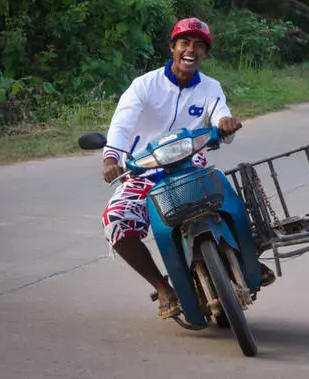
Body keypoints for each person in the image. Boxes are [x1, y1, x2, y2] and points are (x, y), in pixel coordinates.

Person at [100, 17, 275, 319]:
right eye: (184, 43)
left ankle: (245, 257)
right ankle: (163, 288)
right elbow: (122, 122)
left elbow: (221, 114)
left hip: (189, 167)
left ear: (205, 53)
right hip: (144, 173)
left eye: (198, 45)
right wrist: (111, 158)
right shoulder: (144, 85)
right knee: (115, 220)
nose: (190, 50)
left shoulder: (211, 87)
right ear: (172, 47)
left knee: (229, 201)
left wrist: (225, 124)